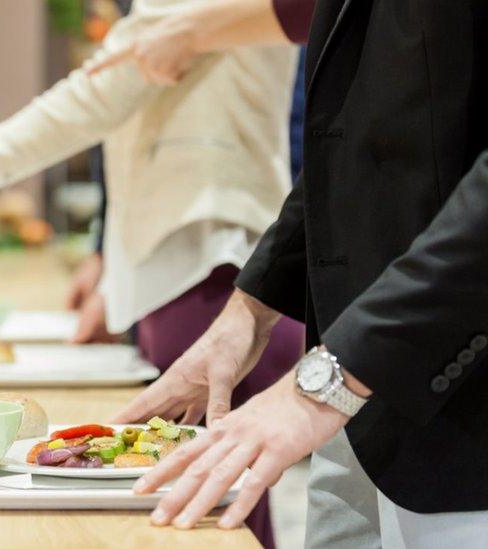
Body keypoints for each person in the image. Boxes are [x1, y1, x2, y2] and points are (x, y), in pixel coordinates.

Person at [0, 1, 305, 545]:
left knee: (209, 519)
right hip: (202, 270)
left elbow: (91, 100)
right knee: (220, 508)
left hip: (210, 275)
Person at [104, 0, 488, 547]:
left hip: (458, 410)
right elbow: (353, 148)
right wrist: (251, 306)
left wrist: (329, 381)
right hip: (355, 401)